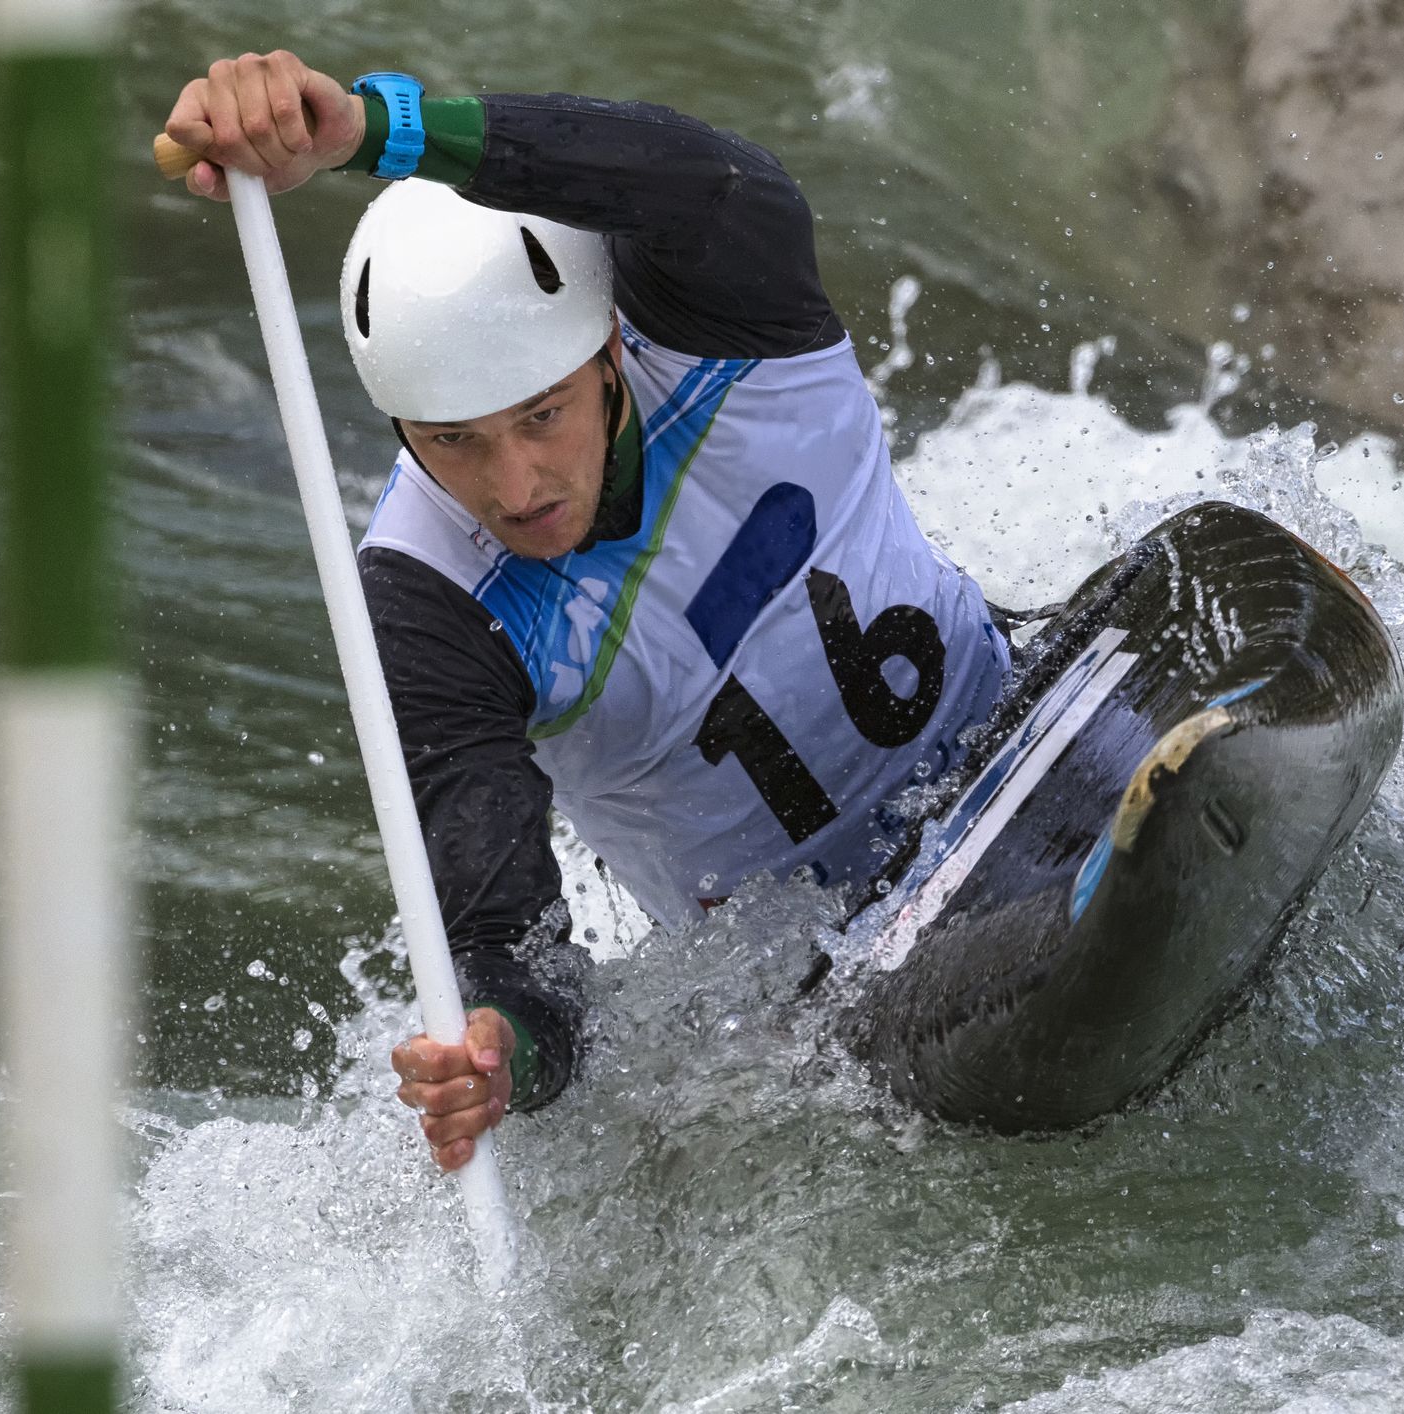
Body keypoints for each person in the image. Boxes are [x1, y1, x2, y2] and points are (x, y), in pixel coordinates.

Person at [164, 53, 1009, 1172]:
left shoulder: (728, 308)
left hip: (1009, 741)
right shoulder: (428, 609)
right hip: (818, 993)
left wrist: (373, 129)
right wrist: (501, 1048)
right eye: (455, 441)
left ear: (608, 354)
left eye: (543, 416)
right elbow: (518, 952)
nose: (516, 486)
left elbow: (675, 169)